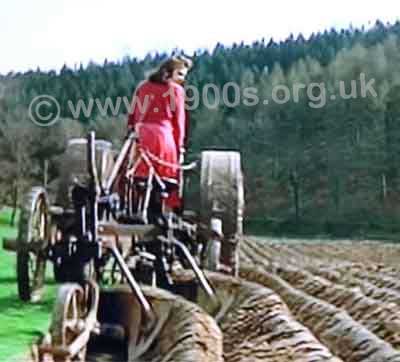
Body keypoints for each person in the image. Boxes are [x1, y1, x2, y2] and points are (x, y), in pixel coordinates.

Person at [126, 56, 192, 211]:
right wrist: (180, 147)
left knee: (139, 177)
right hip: (163, 138)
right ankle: (159, 211)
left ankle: (135, 207)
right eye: (180, 74)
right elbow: (179, 122)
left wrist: (132, 132)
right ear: (168, 72)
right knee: (164, 180)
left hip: (142, 136)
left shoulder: (142, 87)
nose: (182, 79)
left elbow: (132, 115)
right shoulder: (176, 91)